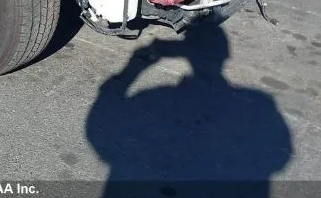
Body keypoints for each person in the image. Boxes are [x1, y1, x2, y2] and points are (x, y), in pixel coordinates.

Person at [86, 24, 292, 197]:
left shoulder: (151, 97)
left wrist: (133, 67)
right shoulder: (260, 103)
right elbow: (280, 154)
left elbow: (100, 125)